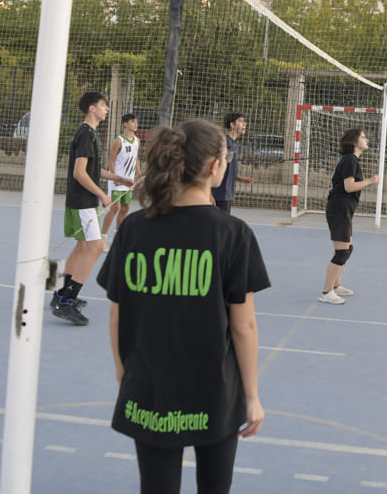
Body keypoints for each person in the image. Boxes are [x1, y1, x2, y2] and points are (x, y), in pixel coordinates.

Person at [96, 119, 269, 494]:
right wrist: (252, 397)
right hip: (216, 393)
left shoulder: (134, 229)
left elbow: (117, 310)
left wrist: (122, 372)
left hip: (149, 387)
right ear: (214, 168)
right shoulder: (233, 234)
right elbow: (244, 326)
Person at [51, 92, 134, 325]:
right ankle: (67, 302)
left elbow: (92, 170)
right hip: (83, 201)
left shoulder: (90, 134)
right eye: (103, 105)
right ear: (91, 108)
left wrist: (119, 178)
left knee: (81, 247)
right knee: (96, 247)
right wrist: (101, 194)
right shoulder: (86, 134)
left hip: (82, 201)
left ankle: (59, 294)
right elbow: (79, 173)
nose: (106, 109)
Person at [318, 128, 379, 305]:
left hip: (344, 210)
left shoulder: (351, 160)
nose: (366, 140)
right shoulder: (350, 160)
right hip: (339, 210)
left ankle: (336, 286)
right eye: (363, 137)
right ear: (354, 142)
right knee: (342, 251)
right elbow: (349, 186)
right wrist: (370, 181)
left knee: (347, 249)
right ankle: (326, 291)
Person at [101, 113, 143, 235]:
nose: (136, 124)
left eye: (136, 122)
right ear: (125, 124)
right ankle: (103, 236)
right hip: (117, 180)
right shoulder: (118, 142)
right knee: (115, 208)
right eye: (132, 122)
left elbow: (136, 159)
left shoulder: (137, 141)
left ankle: (117, 234)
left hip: (128, 181)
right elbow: (110, 160)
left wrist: (139, 175)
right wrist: (114, 177)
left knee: (126, 208)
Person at [211, 112, 253, 214]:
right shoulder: (224, 142)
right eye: (241, 121)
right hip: (218, 194)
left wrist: (239, 178)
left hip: (227, 194)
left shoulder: (233, 144)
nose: (245, 124)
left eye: (244, 121)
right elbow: (212, 166)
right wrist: (209, 193)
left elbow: (226, 168)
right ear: (232, 125)